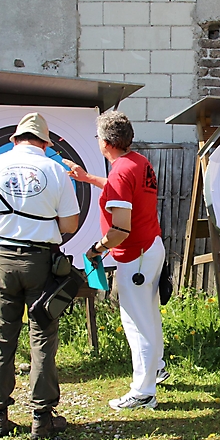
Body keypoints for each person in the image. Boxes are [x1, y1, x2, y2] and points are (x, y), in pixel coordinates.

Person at [0, 112, 80, 439]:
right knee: (42, 335)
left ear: (14, 140)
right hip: (41, 261)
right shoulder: (55, 170)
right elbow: (70, 225)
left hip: (2, 258)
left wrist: (3, 223)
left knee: (2, 334)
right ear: (45, 144)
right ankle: (42, 417)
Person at [64, 110, 167, 410]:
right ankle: (156, 369)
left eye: (98, 136)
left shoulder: (121, 170)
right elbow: (119, 186)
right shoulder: (138, 162)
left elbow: (121, 229)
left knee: (136, 322)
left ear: (106, 143)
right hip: (150, 247)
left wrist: (97, 249)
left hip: (135, 254)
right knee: (148, 316)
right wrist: (87, 178)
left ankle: (143, 391)